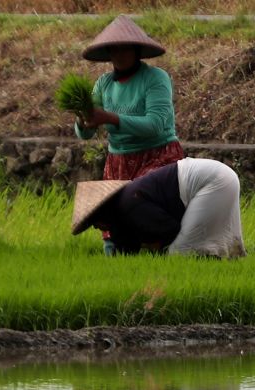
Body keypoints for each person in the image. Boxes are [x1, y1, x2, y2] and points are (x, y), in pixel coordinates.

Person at [73, 15, 185, 255]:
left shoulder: (156, 79)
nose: (120, 54)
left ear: (136, 50)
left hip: (157, 155)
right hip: (119, 160)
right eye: (114, 49)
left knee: (140, 203)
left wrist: (110, 118)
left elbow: (155, 125)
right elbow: (85, 133)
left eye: (126, 48)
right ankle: (117, 252)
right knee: (113, 212)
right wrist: (84, 121)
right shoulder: (103, 84)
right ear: (108, 52)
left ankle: (167, 244)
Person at [71, 157, 244, 258]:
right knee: (208, 250)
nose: (96, 227)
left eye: (95, 221)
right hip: (218, 175)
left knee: (180, 255)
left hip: (211, 181)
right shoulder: (126, 201)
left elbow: (170, 229)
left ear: (104, 212)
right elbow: (126, 248)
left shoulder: (129, 204)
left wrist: (155, 246)